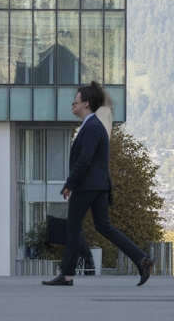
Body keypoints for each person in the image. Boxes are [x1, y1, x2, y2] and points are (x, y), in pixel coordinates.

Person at [42, 81, 153, 287]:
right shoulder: (93, 125)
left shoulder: (92, 126)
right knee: (104, 227)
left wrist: (70, 183)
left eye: (75, 102)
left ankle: (67, 276)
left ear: (86, 104)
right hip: (97, 185)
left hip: (87, 185)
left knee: (73, 227)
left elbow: (85, 159)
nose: (72, 105)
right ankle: (142, 259)